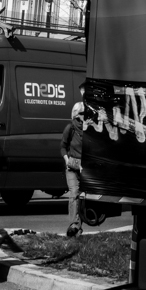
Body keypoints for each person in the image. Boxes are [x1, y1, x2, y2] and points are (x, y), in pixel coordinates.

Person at [61, 100, 85, 238]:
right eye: (82, 114)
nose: (84, 116)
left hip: (84, 168)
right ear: (76, 115)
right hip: (71, 168)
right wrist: (67, 161)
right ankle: (73, 226)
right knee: (74, 193)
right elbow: (63, 147)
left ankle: (78, 228)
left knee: (82, 198)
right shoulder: (70, 128)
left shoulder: (89, 129)